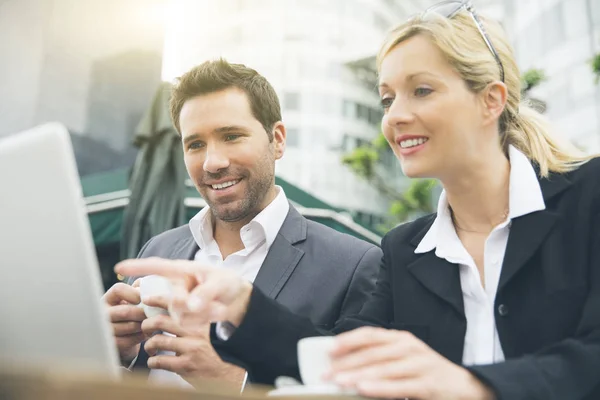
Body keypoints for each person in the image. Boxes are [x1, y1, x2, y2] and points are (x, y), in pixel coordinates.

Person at [115, 1, 600, 399]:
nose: (395, 116)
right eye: (388, 99)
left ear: (491, 100)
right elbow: (336, 363)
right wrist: (244, 308)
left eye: (422, 90)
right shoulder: (404, 252)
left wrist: (473, 384)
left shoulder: (589, 198)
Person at [102, 59, 381, 390]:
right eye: (195, 144)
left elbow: (362, 392)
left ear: (277, 140)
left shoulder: (355, 265)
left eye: (231, 136)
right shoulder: (158, 249)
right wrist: (120, 355)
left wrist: (234, 383)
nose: (213, 162)